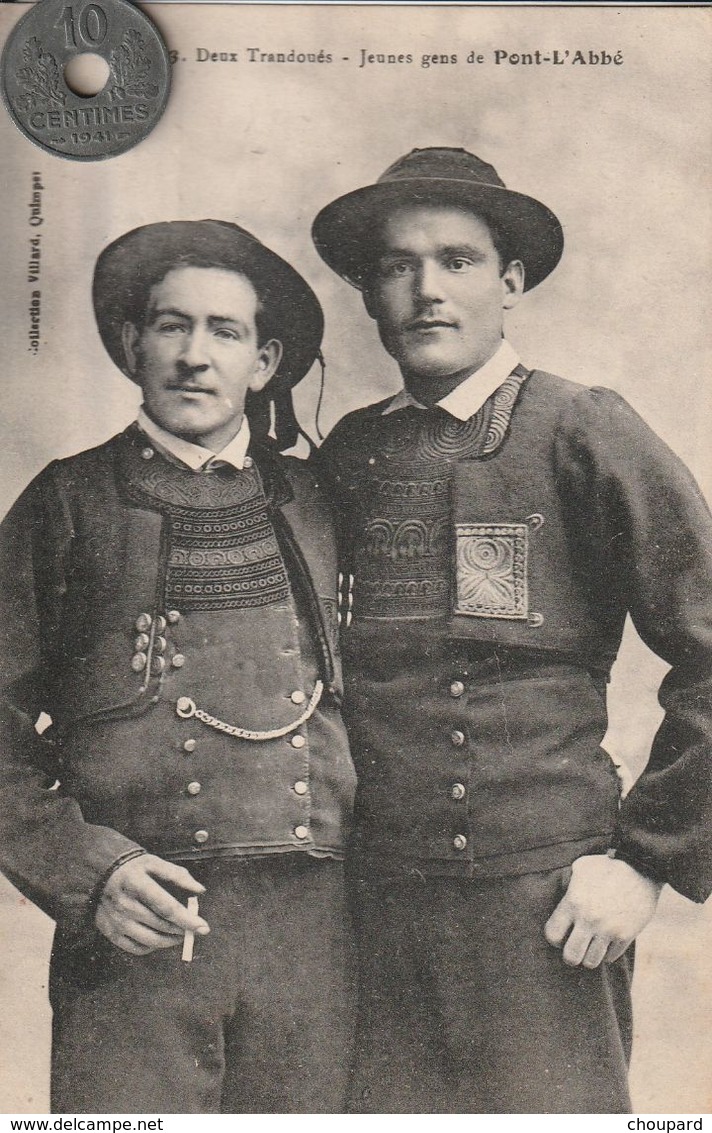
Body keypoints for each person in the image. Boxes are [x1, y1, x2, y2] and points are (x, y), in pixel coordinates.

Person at [311, 147, 712, 1113]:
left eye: (457, 260)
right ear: (370, 293)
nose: (427, 290)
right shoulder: (349, 453)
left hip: (545, 909)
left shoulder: (584, 428)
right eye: (399, 266)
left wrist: (646, 861)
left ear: (512, 279)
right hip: (366, 912)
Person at [0, 220, 357, 1114]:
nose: (195, 356)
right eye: (171, 326)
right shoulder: (65, 502)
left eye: (224, 332)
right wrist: (86, 871)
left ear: (265, 362)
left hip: (317, 939)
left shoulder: (319, 500)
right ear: (132, 344)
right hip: (135, 935)